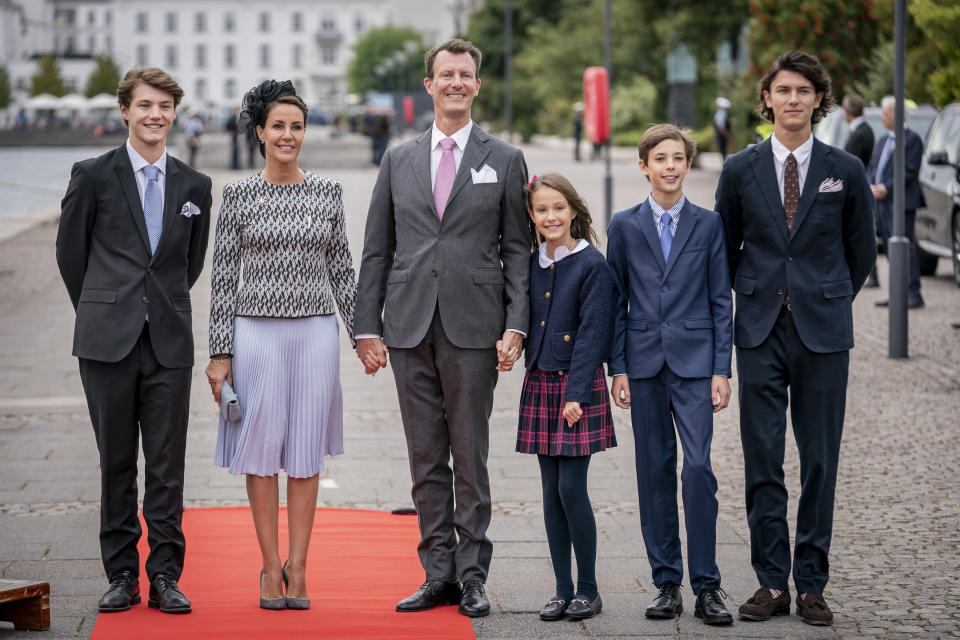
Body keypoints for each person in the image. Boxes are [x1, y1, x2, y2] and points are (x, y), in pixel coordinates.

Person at [354, 38, 529, 618]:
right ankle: (437, 574)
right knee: (425, 457)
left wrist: (517, 326)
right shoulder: (398, 159)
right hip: (407, 326)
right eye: (445, 74)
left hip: (475, 327)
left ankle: (473, 575)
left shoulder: (504, 159)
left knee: (470, 454)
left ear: (477, 85)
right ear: (427, 86)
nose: (455, 82)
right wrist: (365, 327)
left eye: (465, 75)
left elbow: (517, 251)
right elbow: (377, 249)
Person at [714, 51, 875, 626]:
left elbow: (861, 251)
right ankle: (769, 583)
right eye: (783, 90)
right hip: (758, 330)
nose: (792, 100)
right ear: (767, 99)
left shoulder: (844, 169)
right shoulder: (739, 168)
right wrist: (758, 293)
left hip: (823, 333)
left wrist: (825, 296)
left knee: (820, 462)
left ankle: (811, 584)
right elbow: (724, 249)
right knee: (762, 460)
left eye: (804, 91)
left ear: (818, 100)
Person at [55, 67, 212, 615]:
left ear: (175, 114)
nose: (155, 115)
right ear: (125, 110)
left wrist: (156, 307)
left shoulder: (195, 185)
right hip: (107, 342)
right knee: (116, 461)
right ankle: (121, 574)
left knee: (167, 465)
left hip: (169, 342)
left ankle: (166, 574)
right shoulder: (92, 174)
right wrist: (104, 307)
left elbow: (188, 265)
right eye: (145, 105)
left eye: (165, 107)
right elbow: (70, 256)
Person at [205, 80, 358, 611]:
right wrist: (219, 353)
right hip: (256, 333)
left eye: (296, 126)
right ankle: (270, 566)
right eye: (278, 126)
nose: (287, 135)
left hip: (316, 331)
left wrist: (364, 336)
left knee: (306, 451)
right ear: (260, 132)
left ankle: (300, 566)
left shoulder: (328, 193)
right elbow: (222, 278)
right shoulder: (239, 195)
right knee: (263, 450)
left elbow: (342, 269)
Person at [608, 124, 734, 626]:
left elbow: (720, 299)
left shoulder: (708, 224)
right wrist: (616, 365)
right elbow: (616, 300)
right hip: (642, 362)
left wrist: (721, 369)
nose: (669, 166)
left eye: (678, 158)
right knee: (654, 470)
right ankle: (666, 582)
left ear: (687, 164)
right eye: (659, 158)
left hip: (696, 363)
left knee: (698, 468)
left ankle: (708, 585)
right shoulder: (624, 225)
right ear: (643, 166)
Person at [514, 173, 616, 622]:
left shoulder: (592, 264)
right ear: (532, 217)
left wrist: (577, 393)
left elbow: (595, 334)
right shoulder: (531, 262)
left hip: (578, 388)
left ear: (573, 210)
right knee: (550, 492)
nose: (550, 217)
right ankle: (561, 589)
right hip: (540, 381)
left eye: (558, 208)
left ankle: (589, 590)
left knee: (572, 488)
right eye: (541, 210)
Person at [868, 95, 926, 309]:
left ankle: (913, 294)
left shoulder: (912, 140)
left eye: (885, 114)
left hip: (901, 203)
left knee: (905, 248)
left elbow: (909, 171)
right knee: (891, 251)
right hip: (880, 203)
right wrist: (872, 186)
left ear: (896, 114)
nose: (882, 118)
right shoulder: (883, 140)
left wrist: (887, 187)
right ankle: (897, 294)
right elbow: (873, 167)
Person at [842, 93, 878, 287]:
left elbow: (850, 161)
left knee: (863, 231)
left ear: (847, 111)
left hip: (859, 188)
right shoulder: (861, 130)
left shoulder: (862, 132)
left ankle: (872, 275)